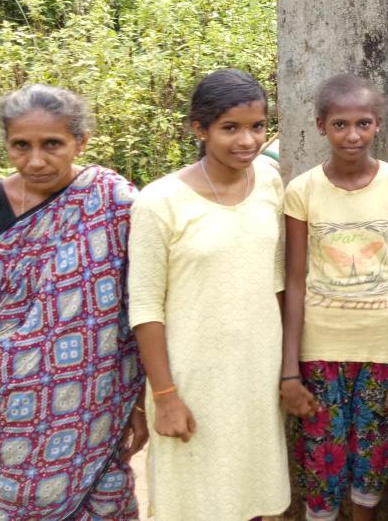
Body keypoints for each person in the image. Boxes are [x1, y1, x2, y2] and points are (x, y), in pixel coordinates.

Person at [0, 84, 147, 519]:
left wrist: (138, 403)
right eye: (20, 146)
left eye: (52, 144)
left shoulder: (113, 202)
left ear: (80, 142)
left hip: (99, 399)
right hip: (7, 405)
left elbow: (137, 304)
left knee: (108, 498)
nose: (35, 160)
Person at [128, 68, 290, 520]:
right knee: (195, 498)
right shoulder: (159, 203)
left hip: (256, 373)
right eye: (230, 128)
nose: (247, 141)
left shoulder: (270, 184)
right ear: (199, 129)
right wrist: (165, 395)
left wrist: (286, 369)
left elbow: (276, 282)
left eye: (257, 126)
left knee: (252, 493)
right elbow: (144, 308)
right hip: (190, 378)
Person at [280, 74, 388, 520]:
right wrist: (289, 370)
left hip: (381, 352)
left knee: (372, 462)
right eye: (340, 124)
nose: (352, 135)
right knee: (320, 462)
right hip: (319, 350)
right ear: (321, 126)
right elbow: (296, 278)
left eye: (363, 123)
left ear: (378, 124)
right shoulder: (302, 191)